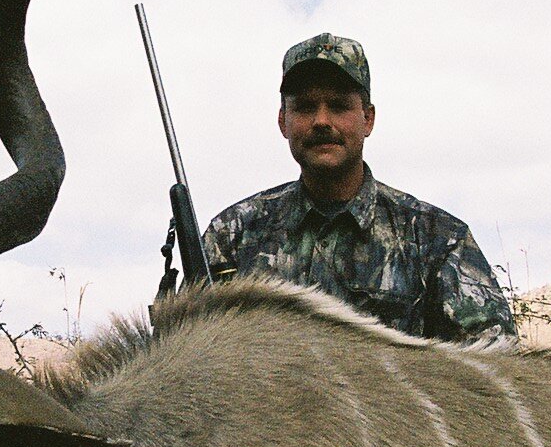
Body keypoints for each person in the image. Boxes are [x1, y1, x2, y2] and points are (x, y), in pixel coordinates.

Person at [201, 33, 516, 344]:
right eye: (306, 107)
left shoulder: (437, 239)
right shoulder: (232, 235)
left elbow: (495, 367)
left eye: (338, 106)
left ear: (368, 119)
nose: (322, 121)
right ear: (284, 121)